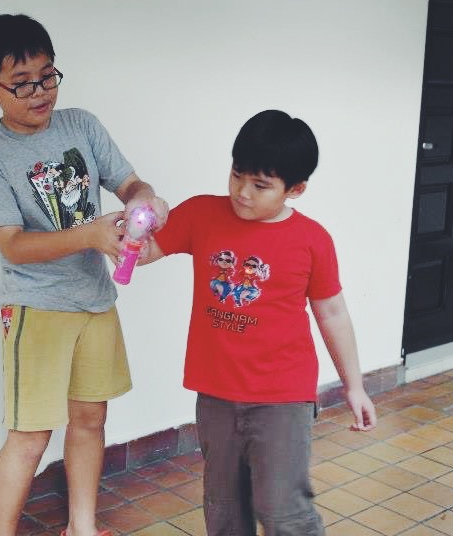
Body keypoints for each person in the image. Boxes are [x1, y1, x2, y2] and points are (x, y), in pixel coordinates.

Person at [0, 13, 168, 536]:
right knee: (30, 436)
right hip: (36, 309)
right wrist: (89, 236)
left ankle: (81, 527)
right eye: (22, 82)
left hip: (95, 301)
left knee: (90, 421)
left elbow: (129, 183)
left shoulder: (82, 125)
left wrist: (145, 199)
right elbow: (13, 245)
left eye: (47, 76)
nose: (40, 92)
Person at [140, 110, 377, 536]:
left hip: (282, 397)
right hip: (216, 393)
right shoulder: (201, 214)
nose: (242, 193)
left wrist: (354, 386)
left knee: (282, 507)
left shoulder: (312, 240)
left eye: (260, 185)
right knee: (224, 507)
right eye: (237, 175)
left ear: (296, 189)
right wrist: (136, 223)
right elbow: (142, 253)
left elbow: (332, 313)